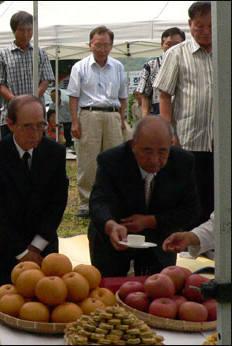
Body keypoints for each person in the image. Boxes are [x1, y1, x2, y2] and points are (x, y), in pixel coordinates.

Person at [0, 95, 69, 301]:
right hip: (1, 244)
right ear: (10, 124)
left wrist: (35, 247)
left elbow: (57, 203)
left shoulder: (55, 153)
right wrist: (21, 252)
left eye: (40, 126)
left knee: (50, 301)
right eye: (27, 127)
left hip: (42, 241)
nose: (35, 134)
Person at [88, 116, 199, 277]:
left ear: (171, 145)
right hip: (115, 237)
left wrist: (150, 221)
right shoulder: (111, 160)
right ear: (133, 145)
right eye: (147, 151)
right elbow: (98, 203)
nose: (154, 160)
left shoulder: (183, 162)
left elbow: (191, 211)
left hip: (159, 238)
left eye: (162, 152)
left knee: (160, 289)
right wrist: (111, 226)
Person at [154, 1, 213, 228]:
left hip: (220, 140)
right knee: (191, 195)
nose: (206, 32)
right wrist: (169, 131)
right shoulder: (177, 54)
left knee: (217, 193)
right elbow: (165, 95)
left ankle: (216, 242)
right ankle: (189, 243)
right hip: (189, 137)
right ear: (190, 24)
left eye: (210, 26)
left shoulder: (224, 50)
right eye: (200, 26)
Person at [67, 26, 128, 218]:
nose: (102, 49)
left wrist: (122, 119)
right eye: (98, 45)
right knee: (88, 160)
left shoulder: (118, 67)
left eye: (106, 45)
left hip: (112, 115)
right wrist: (75, 122)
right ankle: (86, 202)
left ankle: (114, 200)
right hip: (89, 115)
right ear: (90, 45)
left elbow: (123, 96)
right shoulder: (80, 67)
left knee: (115, 160)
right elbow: (73, 97)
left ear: (111, 46)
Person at [0, 11, 55, 138]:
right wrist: (16, 101)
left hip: (36, 116)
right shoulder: (2, 55)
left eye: (29, 30)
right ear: (14, 31)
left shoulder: (41, 53)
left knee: (36, 154)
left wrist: (32, 100)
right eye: (21, 30)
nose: (26, 34)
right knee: (11, 155)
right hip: (11, 116)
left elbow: (46, 80)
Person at [137, 27, 186, 116]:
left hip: (183, 116)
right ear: (162, 45)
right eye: (168, 44)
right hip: (158, 117)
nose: (172, 48)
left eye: (177, 44)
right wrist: (145, 118)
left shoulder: (188, 64)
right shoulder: (151, 66)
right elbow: (145, 95)